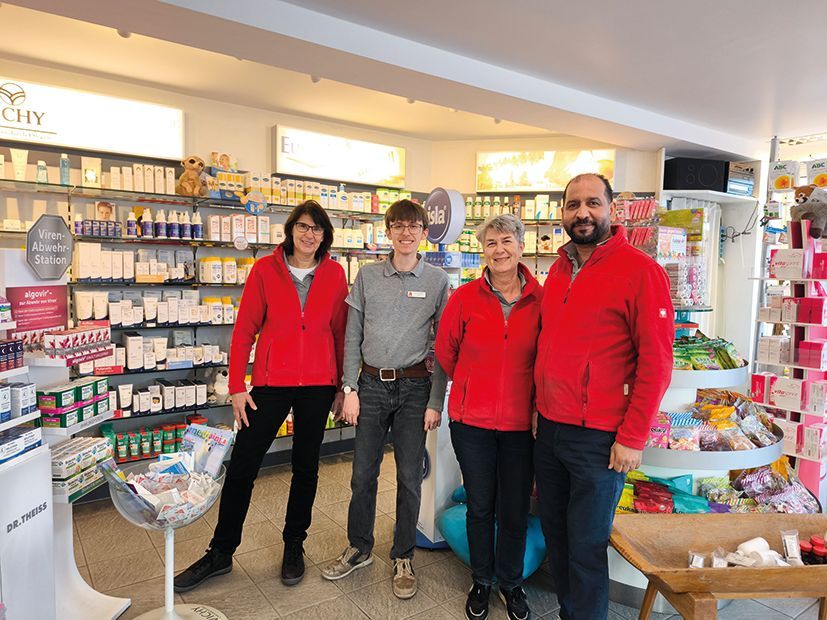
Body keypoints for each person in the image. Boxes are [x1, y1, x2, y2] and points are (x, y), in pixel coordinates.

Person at [174, 200, 348, 592]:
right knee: (243, 467)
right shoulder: (265, 270)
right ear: (290, 231)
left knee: (306, 468)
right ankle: (220, 552)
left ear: (325, 236)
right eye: (303, 227)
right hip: (270, 383)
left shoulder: (336, 275)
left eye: (317, 229)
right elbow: (244, 331)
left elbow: (340, 333)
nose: (309, 234)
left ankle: (294, 545)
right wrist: (237, 385)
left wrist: (339, 387)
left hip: (319, 385)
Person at [533, 173, 674, 620]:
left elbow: (657, 363)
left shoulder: (640, 271)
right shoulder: (557, 269)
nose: (583, 213)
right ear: (562, 213)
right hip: (551, 430)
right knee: (557, 537)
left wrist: (633, 436)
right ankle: (569, 612)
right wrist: (541, 410)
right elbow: (549, 346)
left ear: (611, 209)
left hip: (600, 439)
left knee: (586, 547)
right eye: (573, 205)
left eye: (592, 203)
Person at [321, 199, 450, 600]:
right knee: (363, 475)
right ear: (388, 232)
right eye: (398, 226)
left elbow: (444, 347)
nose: (406, 233)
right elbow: (353, 334)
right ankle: (359, 547)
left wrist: (435, 400)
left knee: (410, 477)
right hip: (371, 386)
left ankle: (403, 554)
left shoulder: (438, 281)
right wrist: (349, 388)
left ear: (424, 234)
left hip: (414, 389)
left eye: (414, 227)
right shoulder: (367, 275)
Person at [435, 214, 542, 620]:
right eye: (491, 242)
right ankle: (481, 579)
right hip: (472, 422)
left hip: (521, 425)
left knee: (514, 508)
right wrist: (468, 384)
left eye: (507, 241)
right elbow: (446, 352)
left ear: (520, 245)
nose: (499, 249)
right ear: (483, 250)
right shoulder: (463, 299)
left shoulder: (542, 300)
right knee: (480, 505)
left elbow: (547, 360)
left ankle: (512, 584)